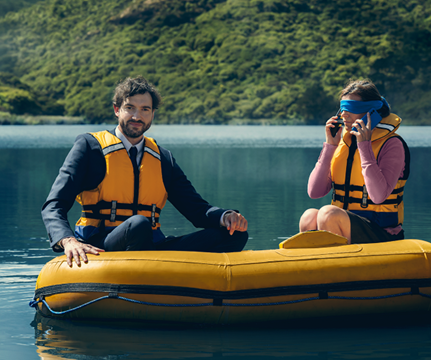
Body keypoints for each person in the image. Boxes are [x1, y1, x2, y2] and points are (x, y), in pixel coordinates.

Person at [42, 76, 248, 266]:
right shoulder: (89, 147)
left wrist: (226, 216)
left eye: (145, 110)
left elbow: (196, 209)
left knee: (235, 235)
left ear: (152, 114)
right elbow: (54, 205)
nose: (136, 116)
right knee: (139, 224)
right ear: (116, 110)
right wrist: (67, 241)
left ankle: (180, 283)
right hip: (102, 245)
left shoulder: (162, 157)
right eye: (129, 108)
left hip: (153, 246)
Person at [299, 79, 410, 244]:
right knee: (309, 217)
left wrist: (364, 146)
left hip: (381, 232)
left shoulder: (392, 144)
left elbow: (378, 196)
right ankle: (316, 265)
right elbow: (314, 192)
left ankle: (340, 265)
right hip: (341, 223)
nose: (344, 115)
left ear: (372, 112)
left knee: (328, 214)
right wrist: (330, 146)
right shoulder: (343, 142)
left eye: (351, 109)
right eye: (342, 109)